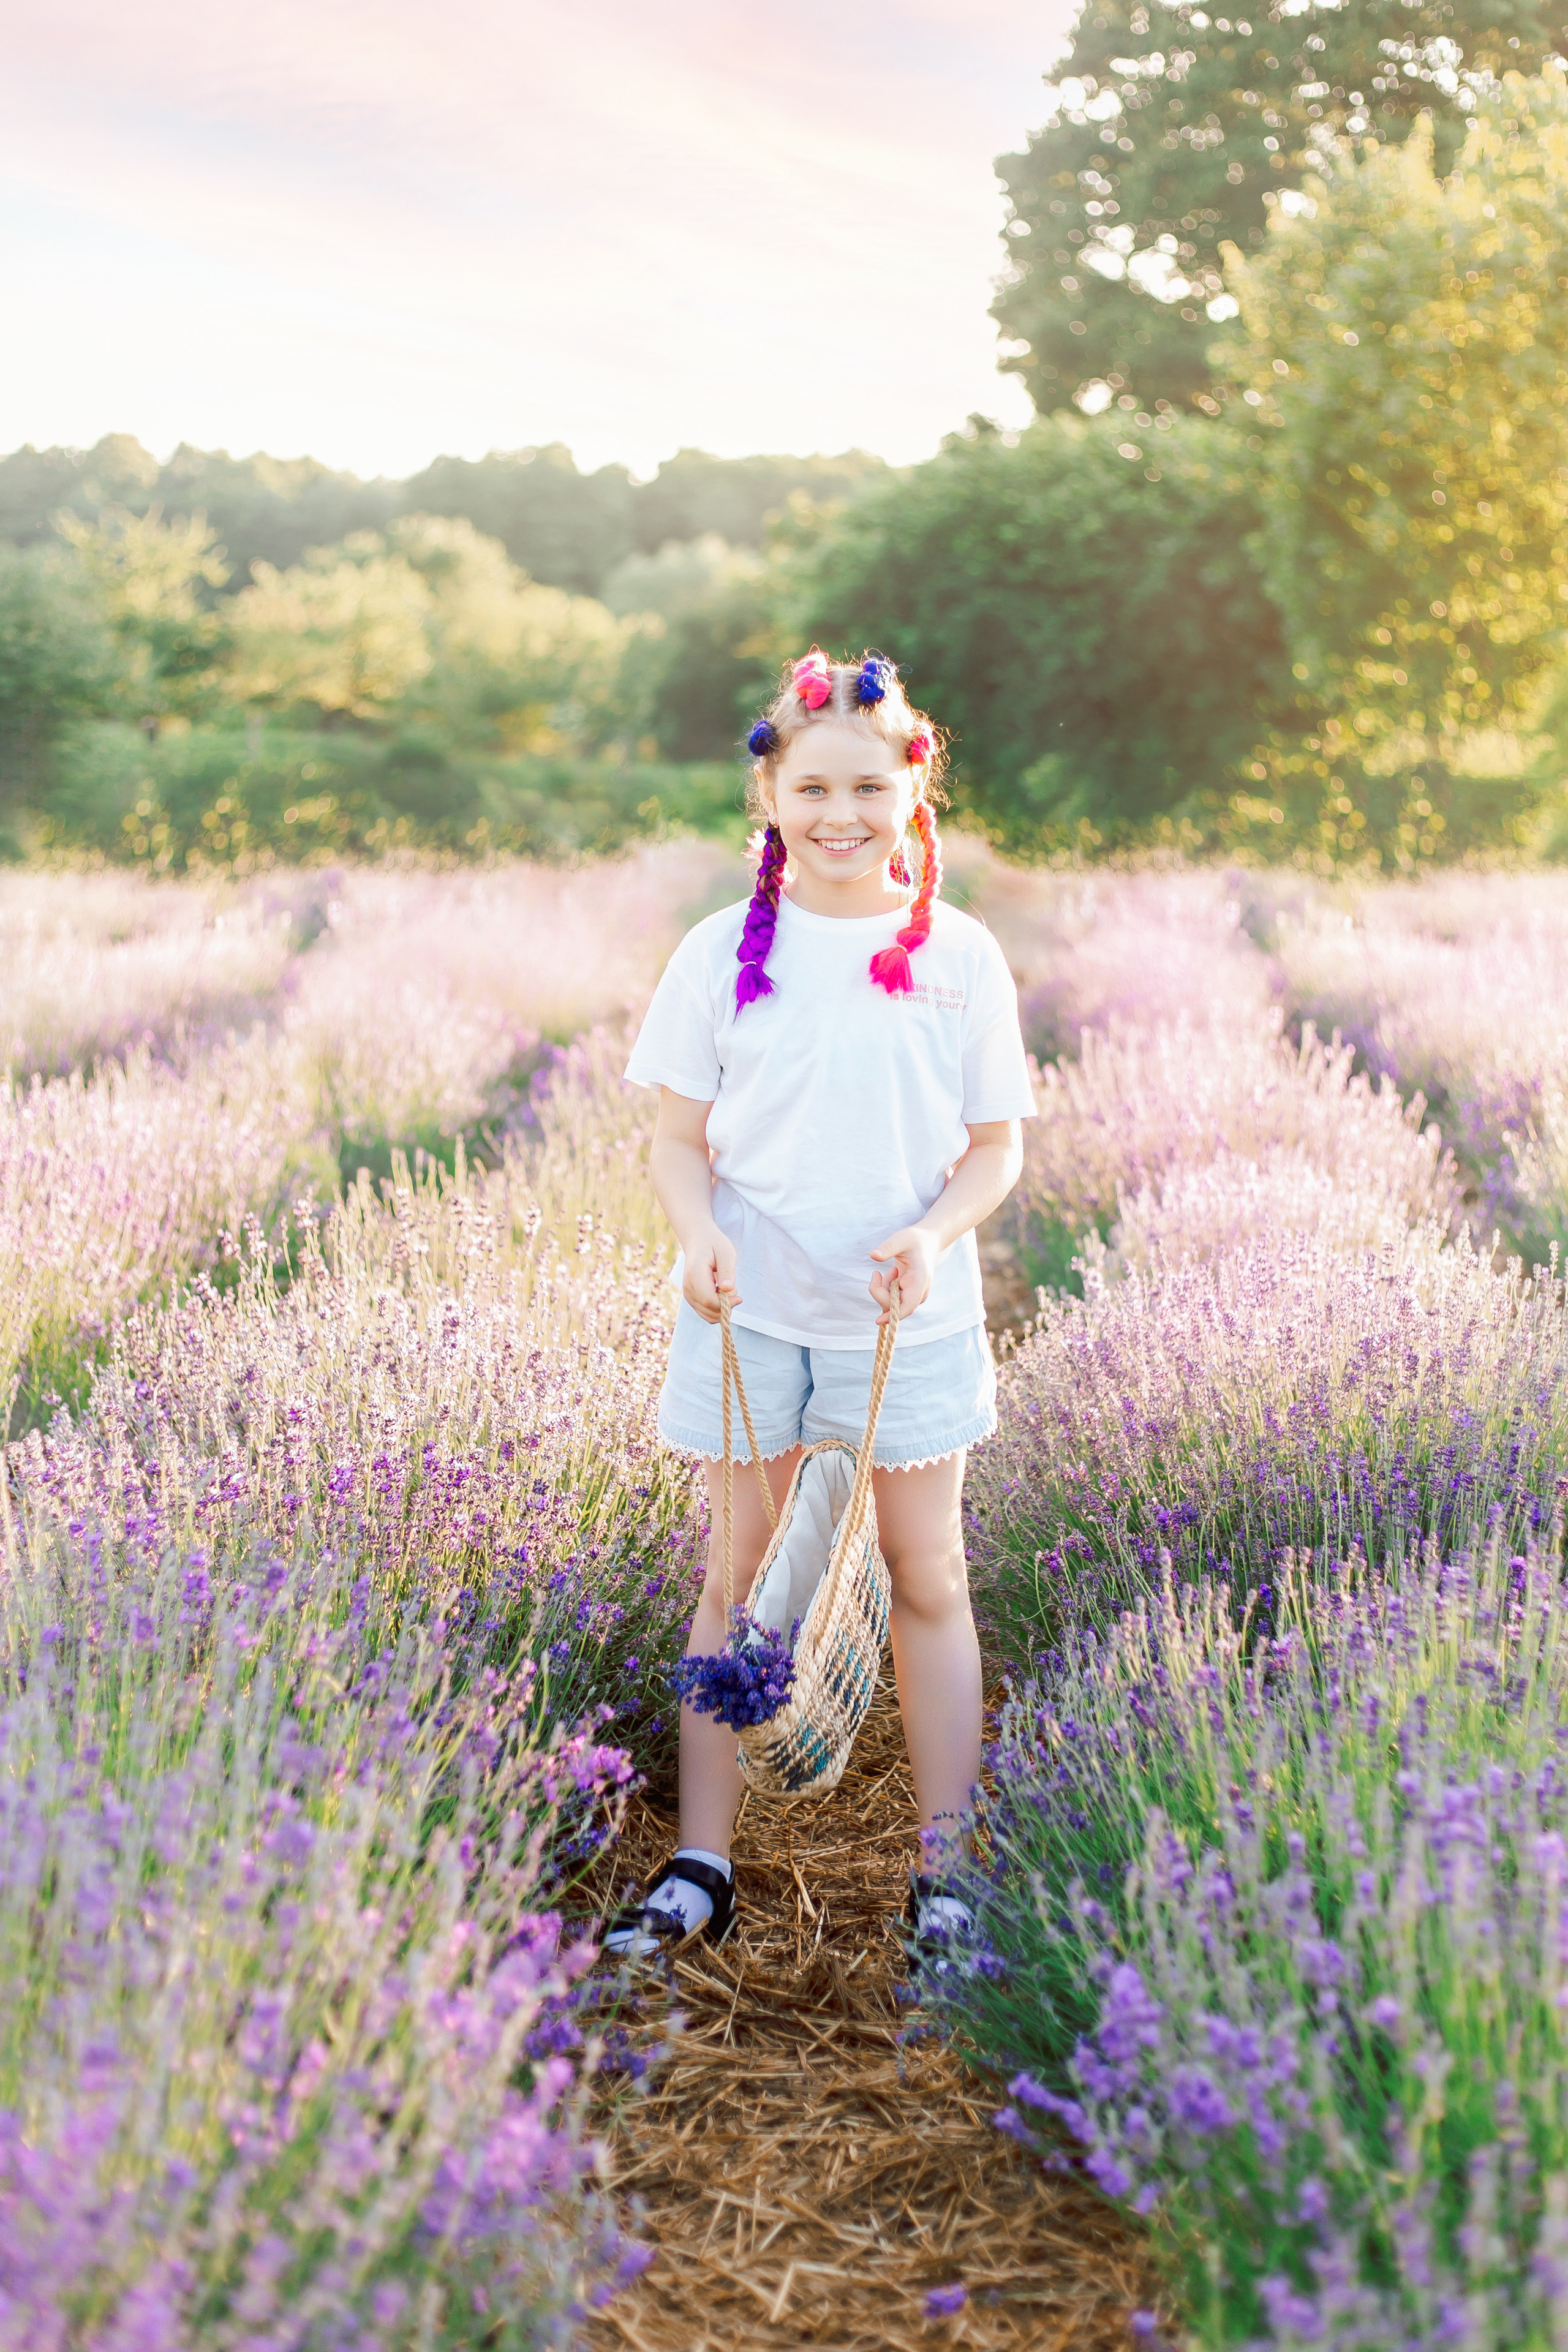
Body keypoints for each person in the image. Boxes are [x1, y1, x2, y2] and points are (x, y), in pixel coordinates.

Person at [605, 649, 1035, 1967]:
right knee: (738, 1578)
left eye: (868, 786)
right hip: (756, 1312)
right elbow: (678, 1142)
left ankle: (944, 1869)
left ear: (915, 794)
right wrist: (691, 1239)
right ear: (769, 794)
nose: (839, 814)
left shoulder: (960, 957)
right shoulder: (716, 955)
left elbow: (994, 1150)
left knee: (925, 1573)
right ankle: (701, 1866)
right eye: (812, 788)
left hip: (907, 1313)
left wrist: (931, 1231)